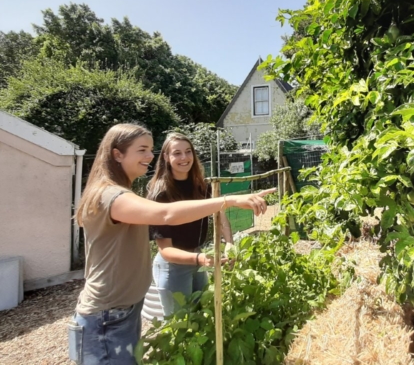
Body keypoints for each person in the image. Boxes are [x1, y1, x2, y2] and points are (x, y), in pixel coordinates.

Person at [69, 123, 274, 365]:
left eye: (151, 150)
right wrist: (228, 200)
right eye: (142, 150)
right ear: (117, 154)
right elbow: (167, 216)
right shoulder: (111, 196)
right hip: (106, 317)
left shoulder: (123, 192)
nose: (149, 156)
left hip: (121, 310)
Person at [146, 132, 232, 316]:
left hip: (197, 257)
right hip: (173, 266)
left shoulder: (201, 186)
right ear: (166, 158)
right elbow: (166, 251)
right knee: (180, 324)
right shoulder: (160, 194)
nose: (184, 158)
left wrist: (230, 243)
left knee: (202, 315)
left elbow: (220, 214)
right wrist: (199, 259)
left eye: (188, 151)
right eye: (177, 153)